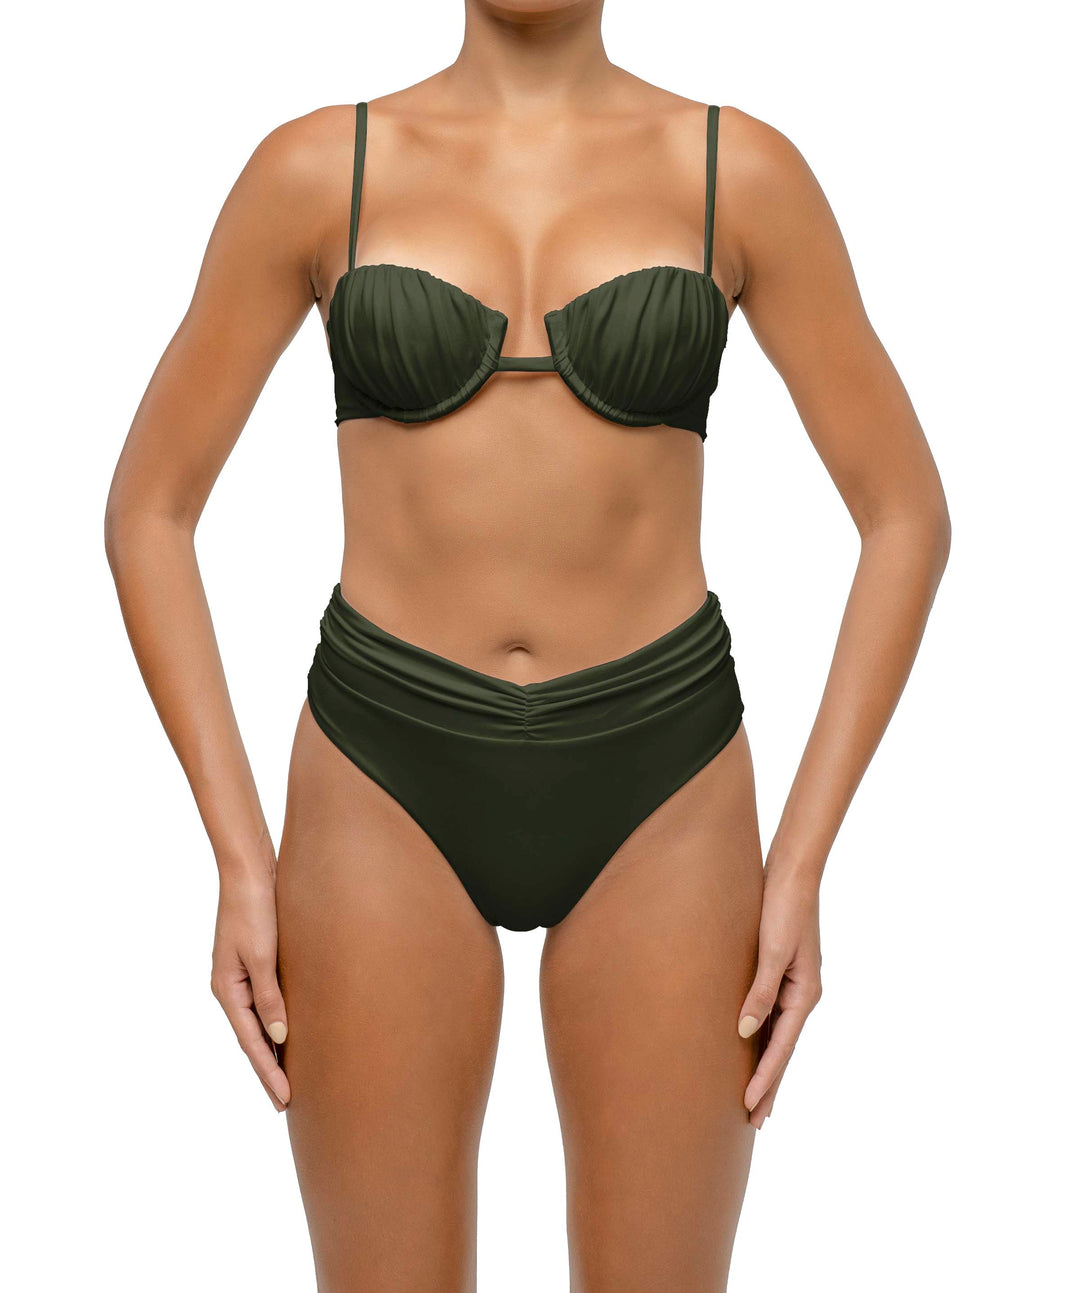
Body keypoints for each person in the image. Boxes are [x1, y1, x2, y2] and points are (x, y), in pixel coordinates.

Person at [104, 2, 950, 1287]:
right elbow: (149, 511)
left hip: (663, 774)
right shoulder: (317, 169)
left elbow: (905, 516)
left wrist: (800, 866)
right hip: (383, 768)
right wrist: (236, 856)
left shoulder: (738, 171)